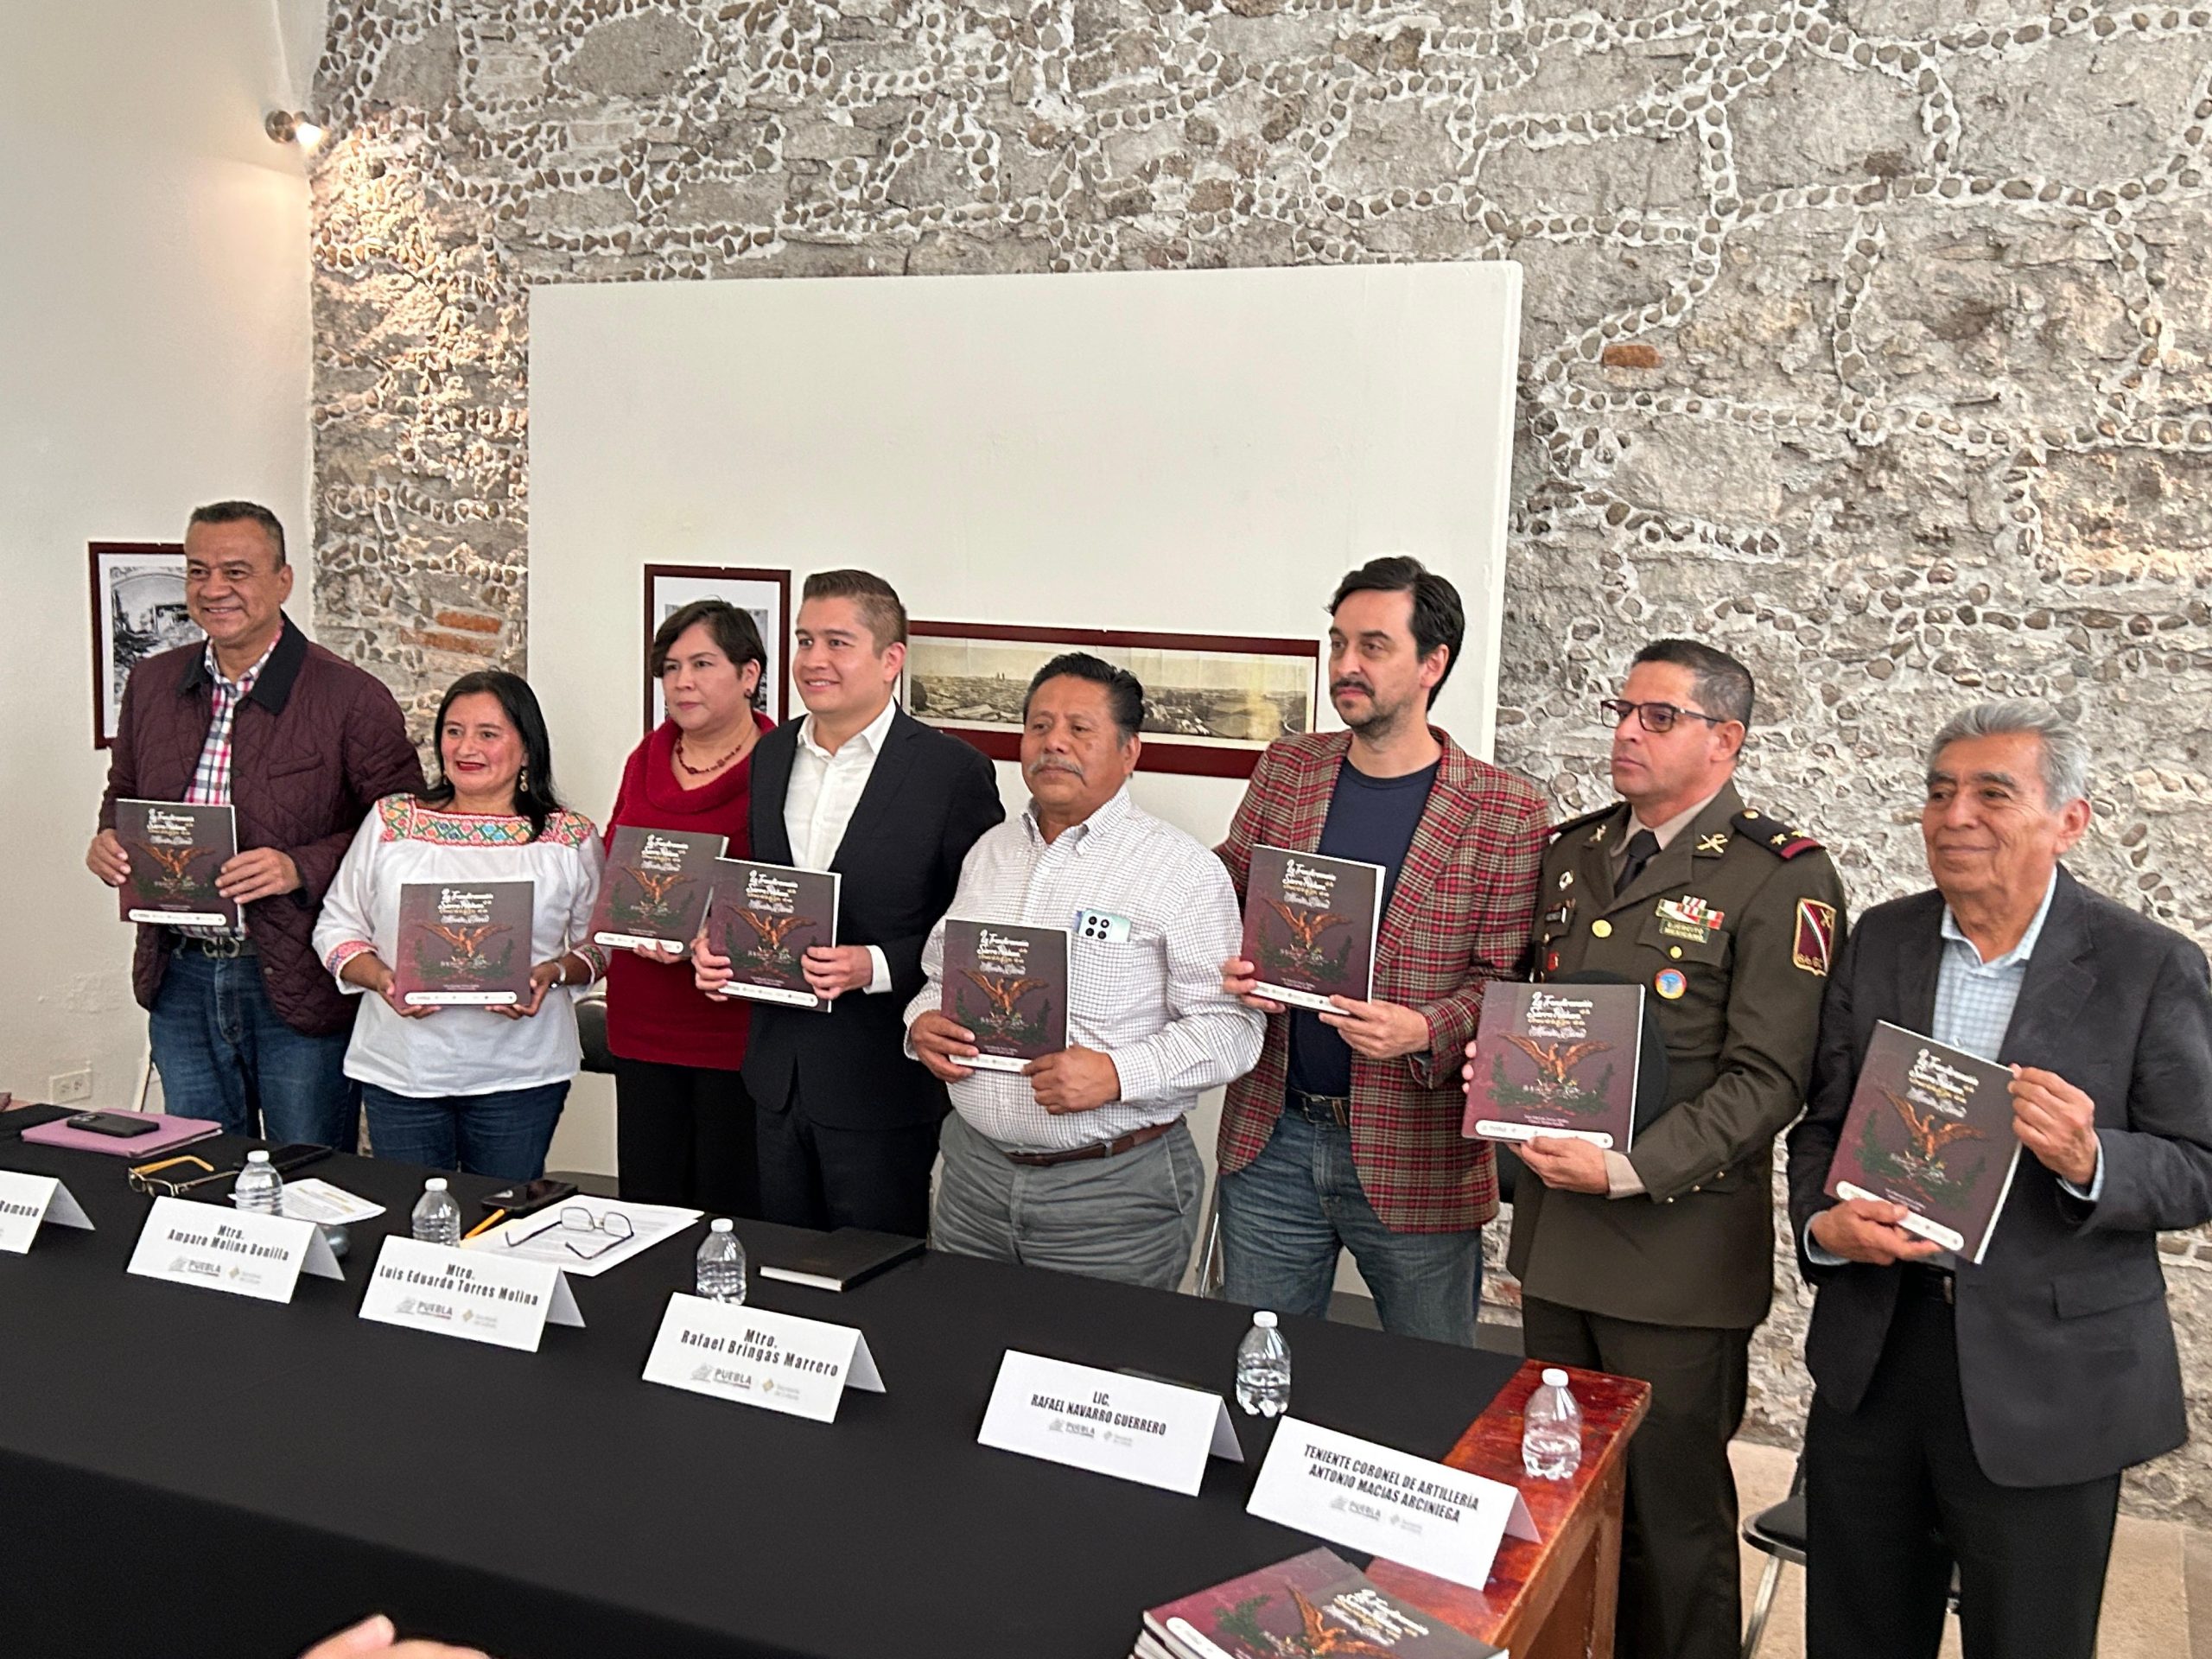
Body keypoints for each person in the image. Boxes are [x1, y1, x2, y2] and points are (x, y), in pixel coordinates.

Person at [1787, 701, 2212, 1659]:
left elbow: (2199, 1164)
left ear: (2069, 820)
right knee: (1855, 1633)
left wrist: (2091, 1157)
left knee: (2029, 1640)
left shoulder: (2149, 967)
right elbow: (1822, 1124)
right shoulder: (1882, 941)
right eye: (1939, 793)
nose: (1954, 816)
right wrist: (1824, 1229)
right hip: (1878, 1356)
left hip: (2046, 1381)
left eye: (1990, 793)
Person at [1473, 639, 1846, 1659]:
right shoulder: (1572, 852)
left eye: (1658, 716)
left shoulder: (1782, 877)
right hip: (1559, 1238)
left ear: (1724, 740)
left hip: (1674, 1253)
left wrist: (1628, 1166)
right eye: (1623, 709)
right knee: (1557, 1501)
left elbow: (1771, 1079)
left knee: (1671, 1525)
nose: (1626, 731)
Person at [1215, 556, 1547, 1344]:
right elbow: (1225, 892)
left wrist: (1423, 1029)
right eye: (1337, 645)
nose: (1346, 667)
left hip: (1417, 1148)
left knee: (1428, 1393)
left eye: (1372, 646)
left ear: (1433, 664)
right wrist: (1225, 960)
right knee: (1260, 1371)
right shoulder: (1288, 769)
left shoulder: (1506, 809)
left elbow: (1505, 983)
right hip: (1274, 1137)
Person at [906, 654, 1262, 1286]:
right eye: (1039, 726)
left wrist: (1118, 1074)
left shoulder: (1180, 870)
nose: (1055, 744)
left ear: (1130, 752)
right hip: (973, 1176)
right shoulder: (989, 852)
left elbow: (1232, 1030)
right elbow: (939, 977)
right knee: (962, 1361)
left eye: (1079, 728)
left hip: (1112, 1194)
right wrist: (921, 1026)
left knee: (1099, 1375)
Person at [88, 500, 423, 1147]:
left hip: (293, 975)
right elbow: (124, 792)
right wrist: (107, 840)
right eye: (198, 572)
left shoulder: (349, 697)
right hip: (178, 975)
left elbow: (404, 831)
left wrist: (298, 867)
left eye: (236, 572)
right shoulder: (154, 685)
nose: (215, 590)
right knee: (198, 1165)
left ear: (282, 581)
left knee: (307, 1173)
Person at [696, 570, 1002, 1236]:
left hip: (883, 1079)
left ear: (891, 660)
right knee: (779, 1271)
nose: (813, 660)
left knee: (878, 1287)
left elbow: (979, 931)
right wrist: (720, 947)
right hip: (775, 1074)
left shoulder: (952, 773)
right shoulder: (772, 752)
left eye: (838, 641)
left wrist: (877, 965)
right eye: (805, 640)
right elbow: (763, 890)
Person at [312, 672, 603, 1181]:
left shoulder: (569, 838)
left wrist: (552, 974)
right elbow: (335, 926)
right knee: (413, 1221)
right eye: (453, 731)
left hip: (521, 1075)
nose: (466, 747)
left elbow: (600, 947)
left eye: (488, 734)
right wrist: (383, 979)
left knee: (504, 1224)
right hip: (403, 1069)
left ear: (528, 749)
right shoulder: (392, 821)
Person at [602, 600, 775, 1211]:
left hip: (732, 1022)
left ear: (749, 674)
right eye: (671, 668)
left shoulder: (783, 764)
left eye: (702, 664)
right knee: (647, 1206)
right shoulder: (645, 757)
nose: (683, 682)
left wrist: (710, 930)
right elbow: (613, 858)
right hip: (642, 1017)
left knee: (734, 1205)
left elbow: (787, 885)